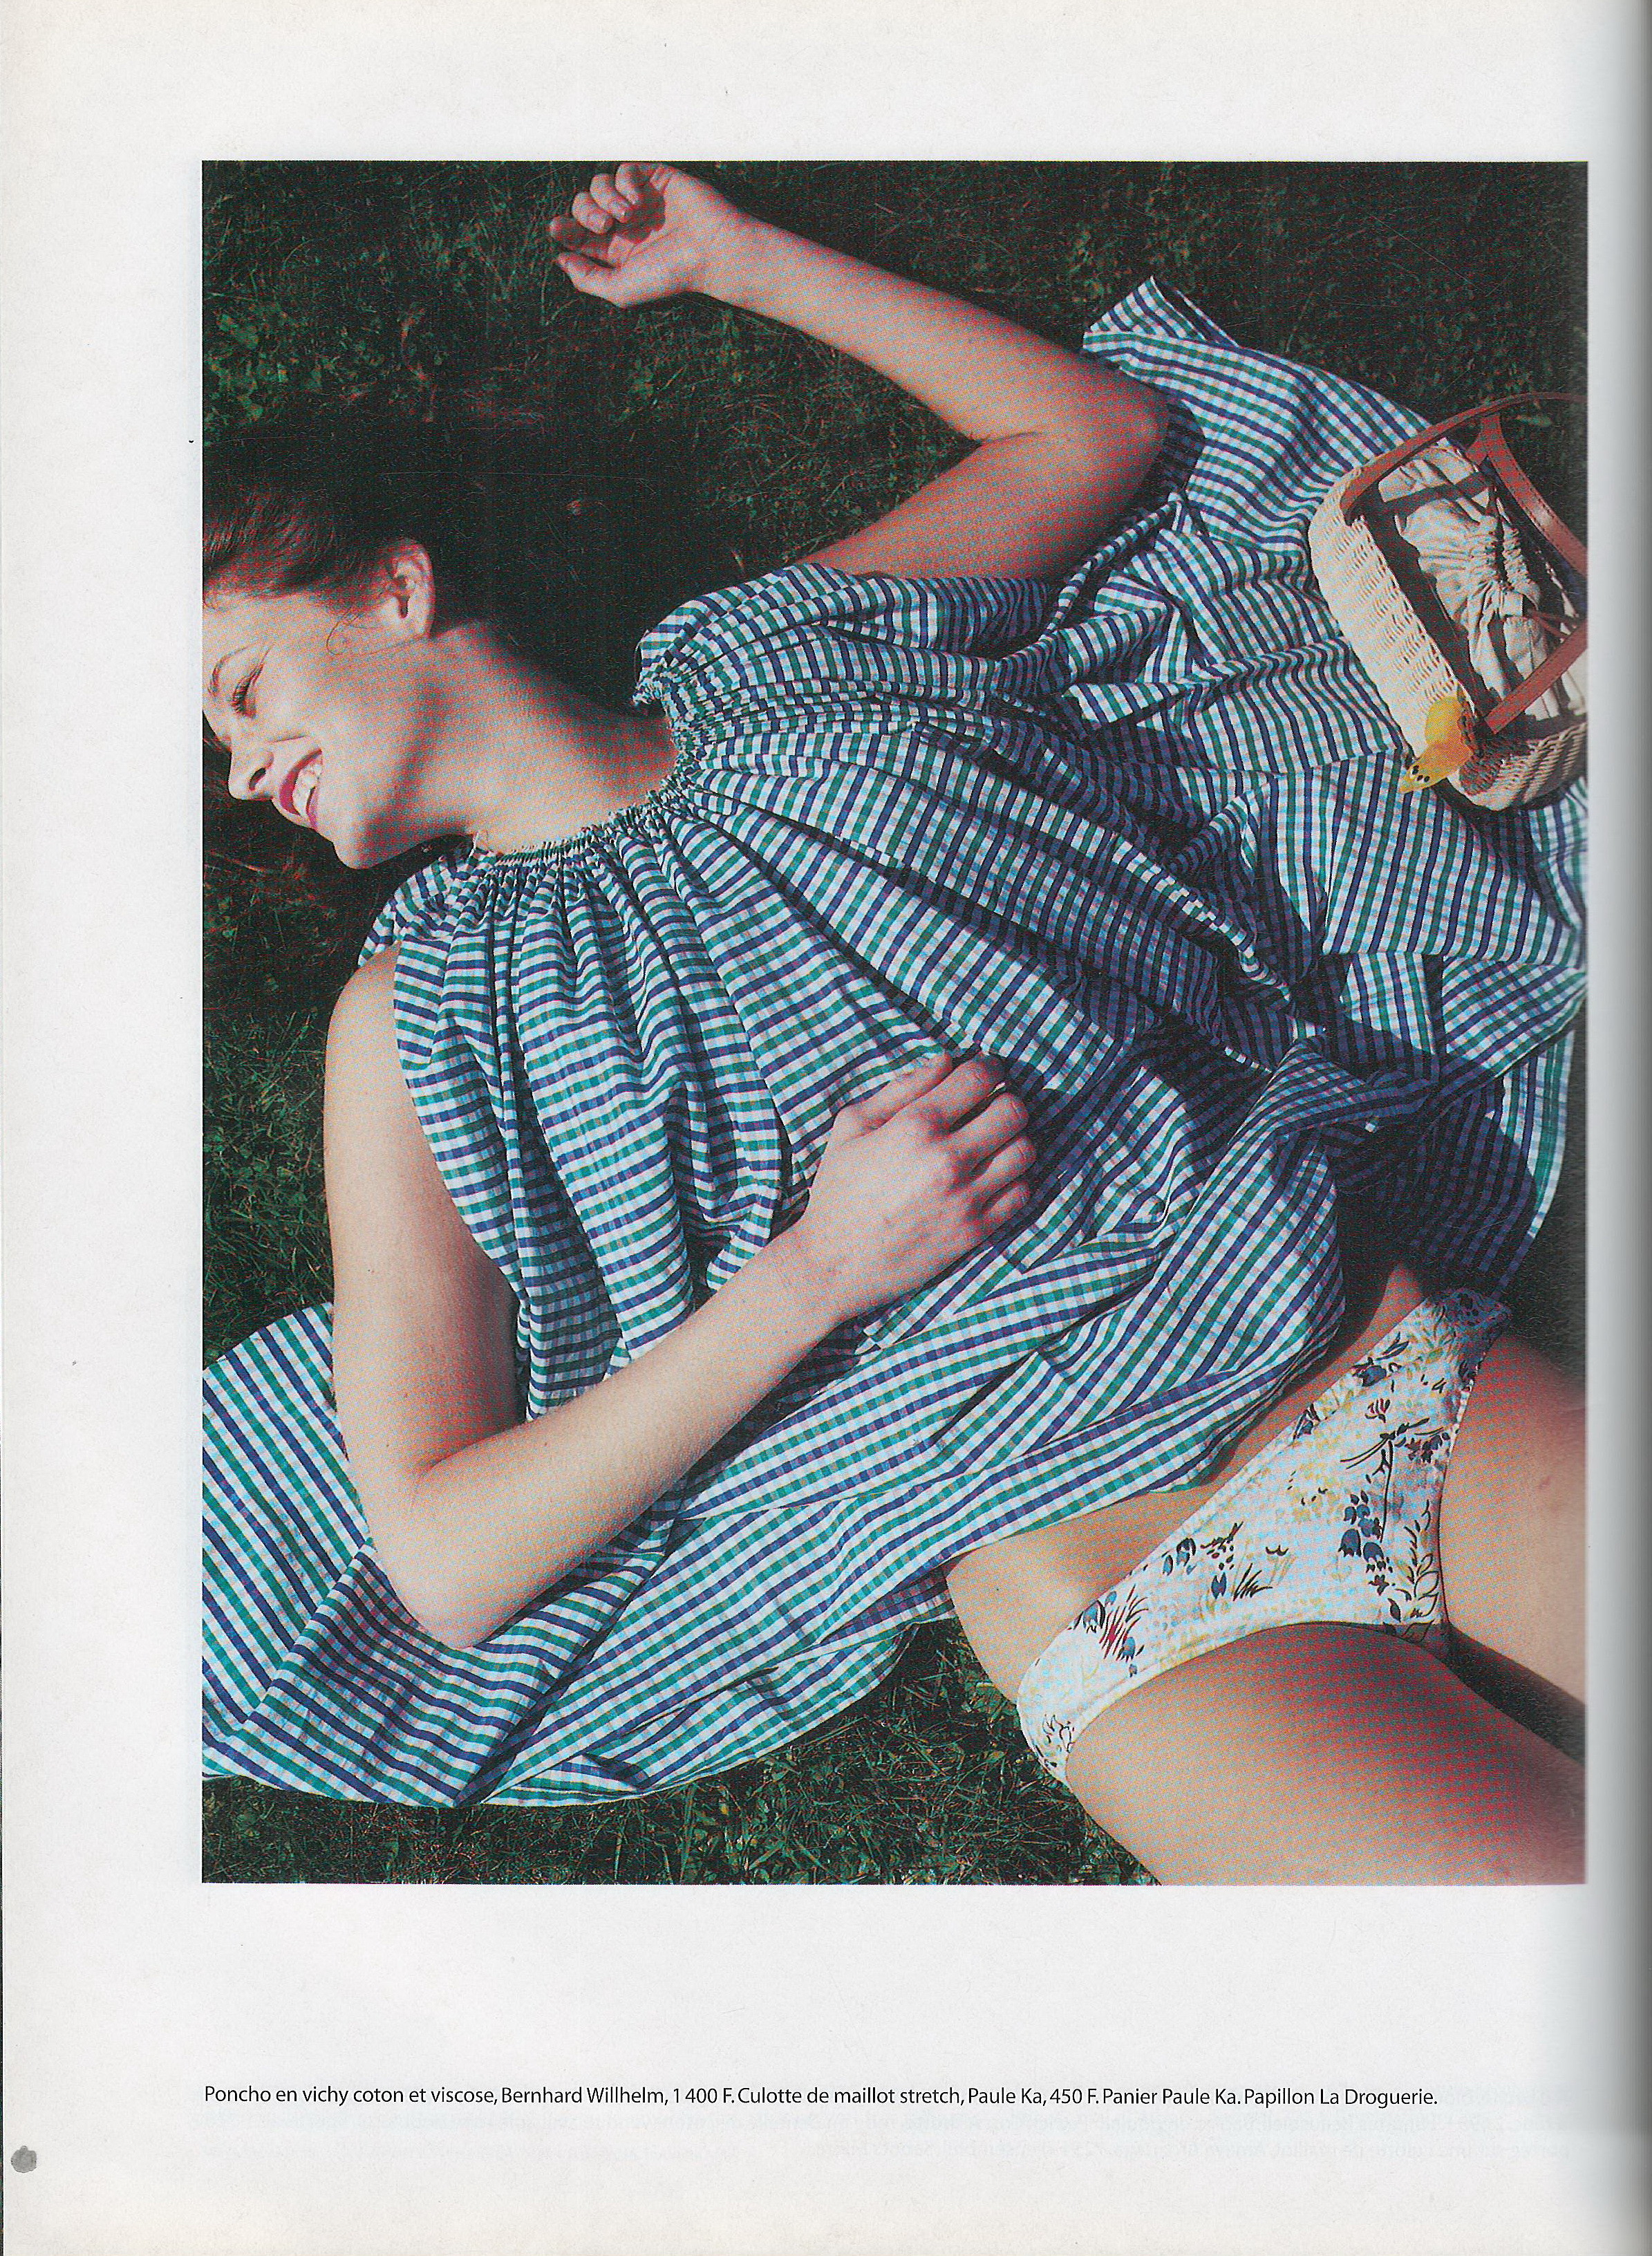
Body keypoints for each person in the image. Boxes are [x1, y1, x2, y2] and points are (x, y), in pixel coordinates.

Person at [203, 165, 1585, 1881]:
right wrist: (815, 1273)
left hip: (1362, 1365)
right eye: (222, 749)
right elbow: (442, 1555)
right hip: (1107, 1585)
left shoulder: (777, 657)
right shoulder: (411, 1010)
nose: (245, 769)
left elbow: (1088, 435)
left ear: (393, 589)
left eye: (244, 690)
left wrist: (738, 259)